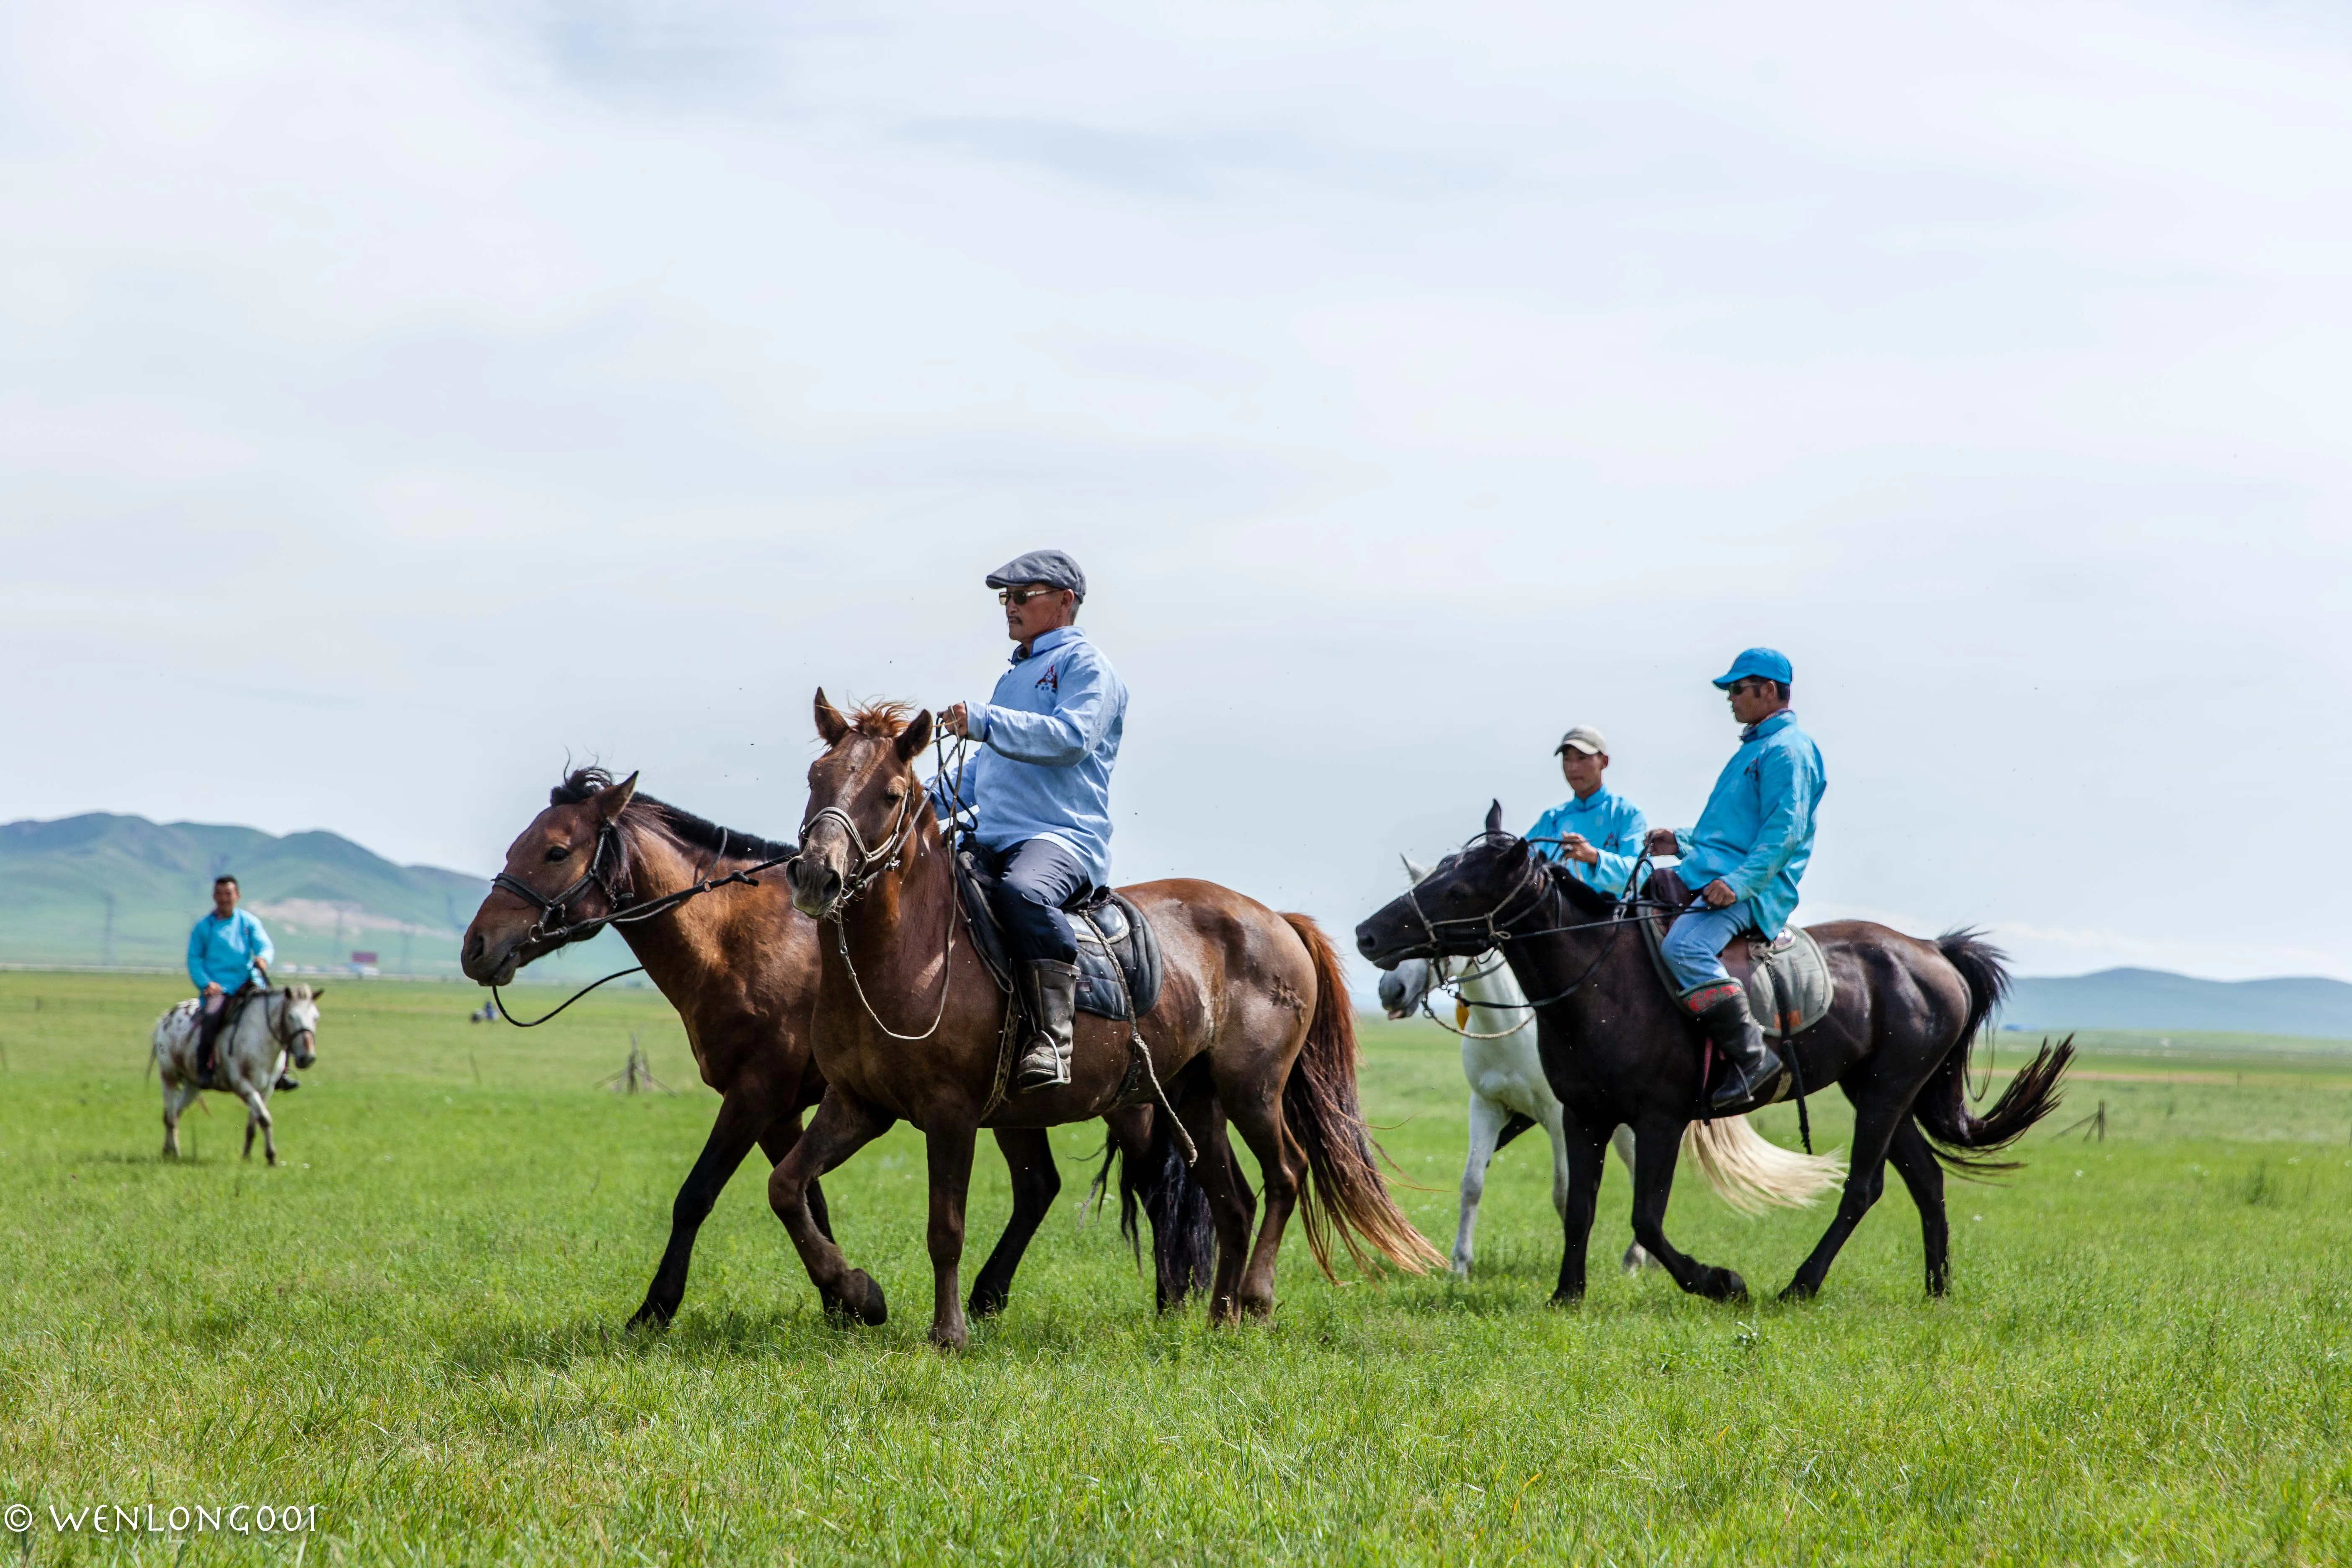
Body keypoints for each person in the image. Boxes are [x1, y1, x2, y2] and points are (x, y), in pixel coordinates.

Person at [934, 549, 1129, 1092]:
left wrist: (986, 721)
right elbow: (982, 773)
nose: (1010, 607)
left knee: (1023, 894)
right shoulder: (1014, 677)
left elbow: (1072, 739)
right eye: (1006, 597)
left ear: (1065, 601)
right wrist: (905, 803)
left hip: (1060, 838)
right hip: (993, 837)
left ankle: (1053, 1040)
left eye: (1023, 596)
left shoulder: (1086, 665)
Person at [1644, 648, 1826, 1111]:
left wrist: (1739, 884)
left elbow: (1782, 833)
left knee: (1684, 947)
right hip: (1720, 877)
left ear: (1769, 690)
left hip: (1755, 889)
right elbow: (1729, 832)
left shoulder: (1788, 750)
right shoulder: (1755, 748)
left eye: (1737, 689)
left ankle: (1752, 1058)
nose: (1730, 698)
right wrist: (1680, 841)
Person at [185, 876, 289, 1087]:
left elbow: (265, 946)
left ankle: (281, 1072)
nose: (224, 899)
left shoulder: (248, 922)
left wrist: (263, 958)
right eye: (220, 894)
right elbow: (194, 959)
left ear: (237, 896)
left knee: (280, 1013)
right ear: (214, 897)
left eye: (228, 894)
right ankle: (204, 1068)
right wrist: (205, 984)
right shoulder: (204, 927)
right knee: (212, 1018)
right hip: (218, 987)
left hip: (248, 982)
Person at [1526, 725, 1647, 895]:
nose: (1573, 767)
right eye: (1567, 759)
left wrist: (1594, 857)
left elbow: (1643, 876)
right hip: (1553, 912)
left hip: (1613, 911)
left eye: (1582, 758)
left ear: (1604, 762)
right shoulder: (1551, 819)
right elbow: (1518, 865)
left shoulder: (1626, 814)